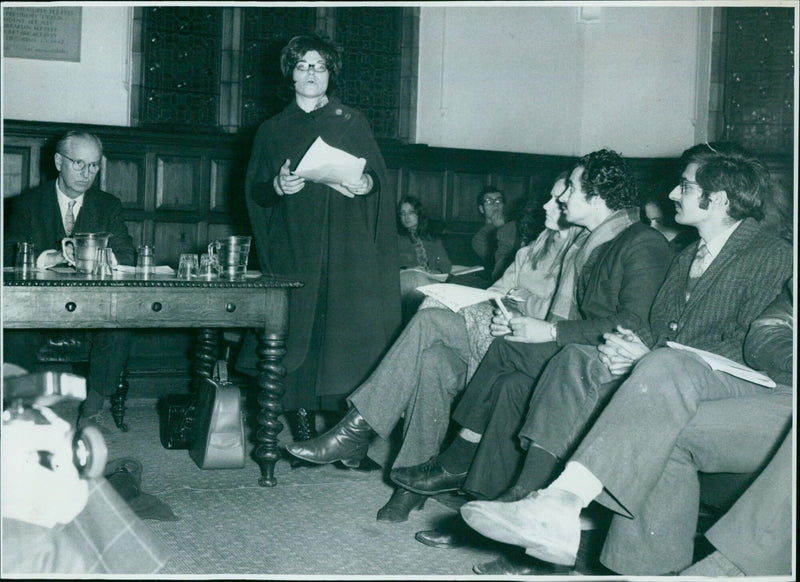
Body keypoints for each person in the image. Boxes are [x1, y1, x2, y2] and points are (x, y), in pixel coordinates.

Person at [458, 142, 793, 575]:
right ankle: (538, 501)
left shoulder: (773, 254)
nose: (673, 194)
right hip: (674, 375)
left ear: (719, 200)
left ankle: (561, 506)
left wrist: (649, 359)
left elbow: (751, 344)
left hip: (743, 387)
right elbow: (654, 325)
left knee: (661, 373)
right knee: (578, 359)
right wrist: (632, 353)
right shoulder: (687, 254)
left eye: (686, 187)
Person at [285, 173, 583, 522]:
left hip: (515, 349)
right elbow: (498, 291)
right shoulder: (537, 245)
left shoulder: (578, 253)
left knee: (427, 320)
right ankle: (410, 486)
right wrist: (503, 300)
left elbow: (557, 320)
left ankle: (357, 426)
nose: (547, 205)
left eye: (557, 198)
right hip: (486, 335)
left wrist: (520, 308)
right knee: (432, 361)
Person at [392, 148, 672, 508]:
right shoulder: (598, 241)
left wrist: (551, 331)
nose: (562, 197)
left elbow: (635, 325)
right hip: (583, 351)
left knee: (508, 347)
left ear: (597, 195)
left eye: (570, 188)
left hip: (607, 363)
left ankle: (458, 458)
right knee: (510, 382)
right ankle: (483, 501)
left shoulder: (641, 242)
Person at [244, 34, 401, 417]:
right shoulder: (272, 129)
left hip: (346, 244)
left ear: (331, 74)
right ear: (291, 75)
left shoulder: (352, 121)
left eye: (320, 66)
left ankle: (344, 430)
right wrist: (278, 185)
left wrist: (366, 185)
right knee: (300, 331)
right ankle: (298, 420)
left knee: (344, 336)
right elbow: (255, 192)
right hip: (295, 243)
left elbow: (378, 179)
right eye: (303, 66)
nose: (312, 73)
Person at [3, 131, 136, 427]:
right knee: (14, 332)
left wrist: (98, 255)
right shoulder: (27, 203)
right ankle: (17, 411)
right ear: (59, 161)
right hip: (38, 309)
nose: (86, 173)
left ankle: (92, 409)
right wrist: (45, 258)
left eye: (93, 166)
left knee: (119, 327)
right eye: (78, 163)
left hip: (93, 310)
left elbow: (128, 256)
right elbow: (7, 252)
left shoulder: (108, 205)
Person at [397, 195, 452, 319]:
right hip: (405, 278)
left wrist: (437, 271)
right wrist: (408, 268)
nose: (406, 217)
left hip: (430, 278)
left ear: (419, 214)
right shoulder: (395, 238)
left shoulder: (432, 237)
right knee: (419, 282)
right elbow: (387, 263)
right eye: (402, 213)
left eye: (411, 212)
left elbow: (445, 263)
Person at [471, 186, 519, 280]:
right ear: (481, 209)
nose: (495, 205)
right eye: (489, 201)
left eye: (498, 201)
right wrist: (502, 228)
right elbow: (499, 263)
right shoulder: (480, 237)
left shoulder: (515, 225)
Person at [640, 180, 696, 252]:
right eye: (647, 221)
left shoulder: (687, 250)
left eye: (658, 221)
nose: (651, 227)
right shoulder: (646, 245)